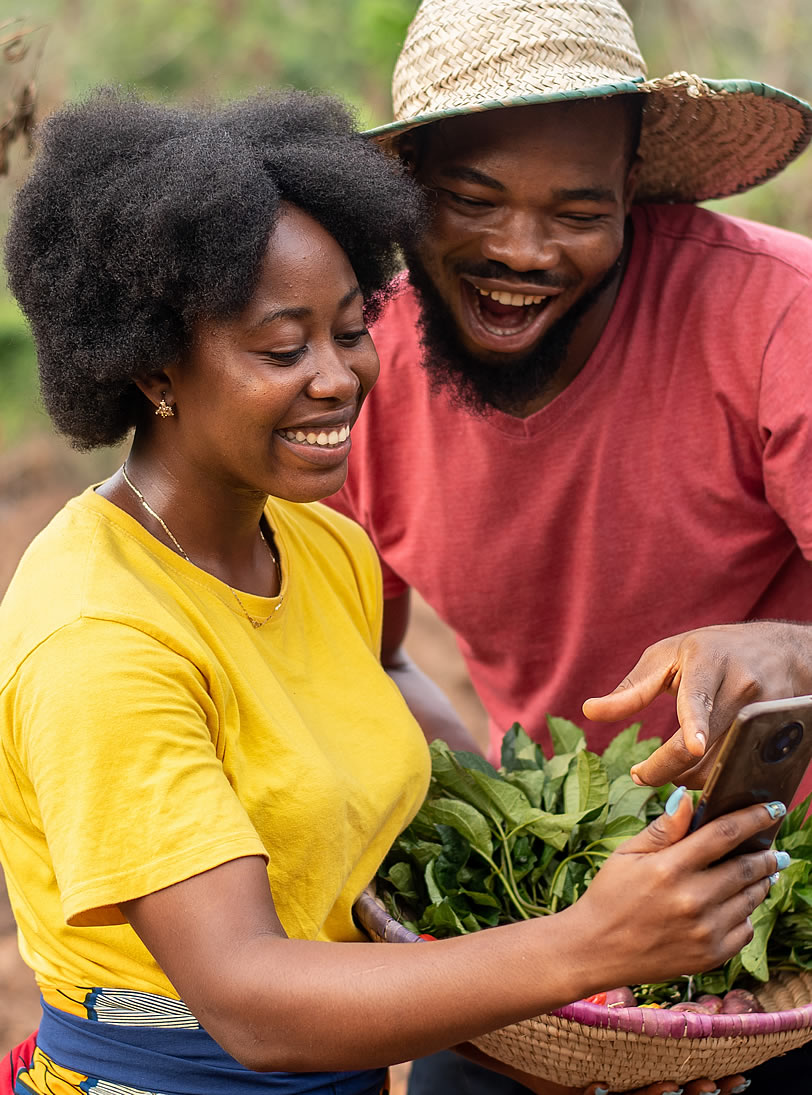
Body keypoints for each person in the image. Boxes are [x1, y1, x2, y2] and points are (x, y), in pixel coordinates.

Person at [0, 86, 783, 1095]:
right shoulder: (99, 635)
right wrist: (587, 945)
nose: (340, 379)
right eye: (283, 348)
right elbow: (247, 999)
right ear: (154, 369)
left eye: (350, 329)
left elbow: (370, 712)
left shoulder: (320, 546)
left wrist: (585, 1027)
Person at [324, 0, 812, 1091]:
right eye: (472, 201)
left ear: (633, 189)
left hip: (780, 916)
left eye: (579, 211)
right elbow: (361, 662)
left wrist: (794, 648)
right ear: (406, 185)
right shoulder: (351, 364)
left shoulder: (778, 318)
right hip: (550, 922)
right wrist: (498, 834)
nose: (521, 252)